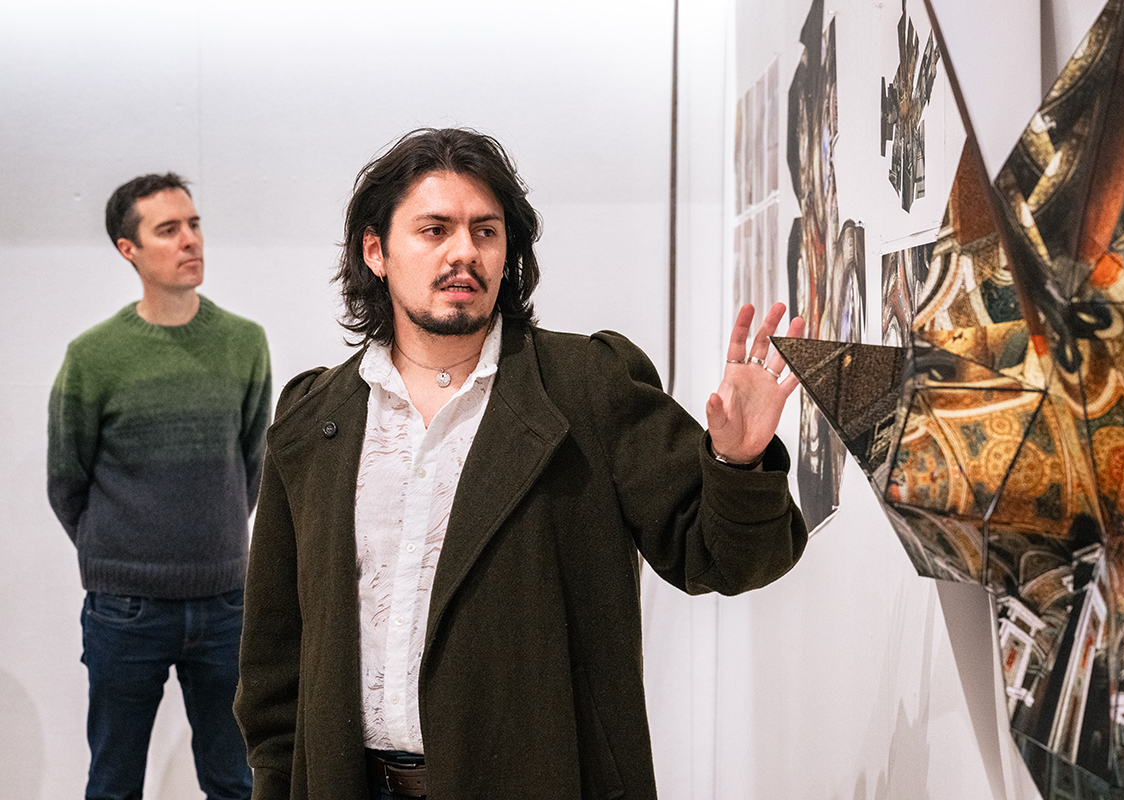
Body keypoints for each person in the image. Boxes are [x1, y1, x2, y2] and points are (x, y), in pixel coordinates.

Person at [234, 128, 807, 800]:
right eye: (434, 230)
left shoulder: (587, 385)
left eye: (485, 231)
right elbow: (275, 653)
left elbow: (722, 559)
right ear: (375, 250)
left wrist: (736, 461)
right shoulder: (313, 416)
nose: (463, 252)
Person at [47, 172, 271, 800]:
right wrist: (121, 557)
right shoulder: (93, 356)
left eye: (193, 224)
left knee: (235, 782)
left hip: (226, 602)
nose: (190, 240)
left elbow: (250, 463)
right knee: (114, 783)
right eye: (168, 229)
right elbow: (66, 480)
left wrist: (215, 544)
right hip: (125, 609)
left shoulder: (244, 343)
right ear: (129, 249)